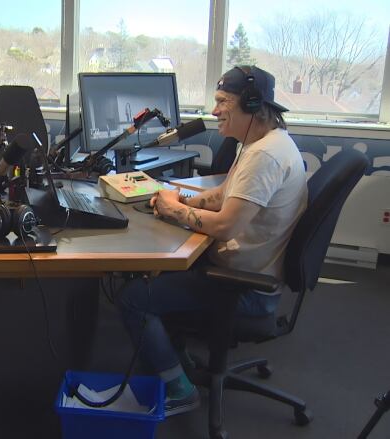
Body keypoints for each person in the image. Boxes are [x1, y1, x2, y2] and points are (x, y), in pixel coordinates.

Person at [118, 65, 307, 416]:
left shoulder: (264, 156)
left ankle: (178, 388)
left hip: (246, 289)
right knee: (157, 274)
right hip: (248, 272)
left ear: (251, 105)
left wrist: (173, 211)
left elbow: (225, 226)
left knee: (133, 298)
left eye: (223, 102)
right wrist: (180, 201)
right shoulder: (260, 143)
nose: (215, 110)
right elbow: (223, 196)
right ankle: (177, 360)